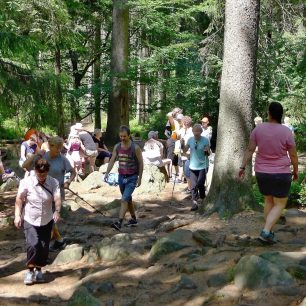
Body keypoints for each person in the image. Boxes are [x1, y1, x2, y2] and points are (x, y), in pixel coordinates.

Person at [239, 102, 298, 243]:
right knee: (280, 203)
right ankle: (266, 231)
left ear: (269, 113)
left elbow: (249, 150)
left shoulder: (258, 129)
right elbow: (294, 155)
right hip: (281, 173)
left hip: (262, 172)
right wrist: (295, 171)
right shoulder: (286, 132)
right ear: (281, 115)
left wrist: (242, 167)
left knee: (268, 200)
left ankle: (269, 233)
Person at [22, 136, 76, 251]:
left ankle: (47, 245)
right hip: (42, 193)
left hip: (57, 193)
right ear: (50, 147)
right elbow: (25, 166)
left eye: (61, 148)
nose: (59, 151)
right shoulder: (43, 157)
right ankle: (57, 241)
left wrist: (69, 181)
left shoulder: (63, 159)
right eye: (57, 148)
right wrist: (36, 155)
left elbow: (73, 172)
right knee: (48, 220)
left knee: (49, 220)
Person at [14, 159, 62, 285]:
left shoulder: (53, 182)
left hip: (47, 219)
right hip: (30, 218)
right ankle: (30, 270)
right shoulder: (26, 182)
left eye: (44, 174)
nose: (42, 176)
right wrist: (17, 216)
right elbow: (19, 199)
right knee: (33, 244)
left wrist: (57, 211)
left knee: (43, 246)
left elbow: (57, 198)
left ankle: (39, 269)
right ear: (35, 170)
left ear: (47, 172)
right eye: (39, 174)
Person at [105, 125, 143, 231]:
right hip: (121, 176)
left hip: (132, 177)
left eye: (124, 136)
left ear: (129, 135)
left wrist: (140, 178)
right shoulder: (117, 147)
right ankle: (134, 219)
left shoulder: (135, 148)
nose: (122, 138)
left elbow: (141, 163)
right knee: (128, 199)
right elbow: (112, 160)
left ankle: (119, 222)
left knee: (124, 199)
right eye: (121, 136)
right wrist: (107, 173)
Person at [182, 124, 210, 211]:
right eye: (195, 131)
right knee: (193, 186)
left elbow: (209, 153)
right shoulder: (190, 140)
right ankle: (194, 203)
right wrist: (182, 145)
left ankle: (202, 198)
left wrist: (207, 151)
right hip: (193, 166)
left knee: (200, 184)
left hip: (203, 165)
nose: (196, 133)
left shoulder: (205, 140)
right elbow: (185, 150)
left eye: (198, 131)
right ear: (192, 131)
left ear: (201, 132)